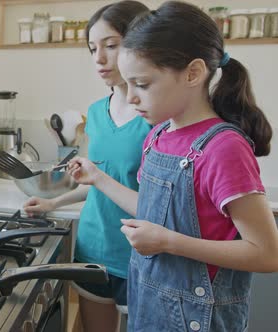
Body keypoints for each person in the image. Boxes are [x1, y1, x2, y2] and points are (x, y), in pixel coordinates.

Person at [67, 2, 278, 331]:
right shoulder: (159, 136)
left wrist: (168, 242)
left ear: (193, 73)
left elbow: (266, 253)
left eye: (143, 84)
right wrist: (96, 178)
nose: (132, 97)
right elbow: (153, 210)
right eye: (129, 84)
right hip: (150, 310)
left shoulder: (224, 148)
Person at [23, 2, 150, 331]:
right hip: (94, 248)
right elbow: (95, 180)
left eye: (111, 45)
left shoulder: (158, 116)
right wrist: (53, 202)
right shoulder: (96, 112)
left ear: (142, 42)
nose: (99, 58)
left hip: (141, 256)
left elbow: (160, 202)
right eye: (93, 48)